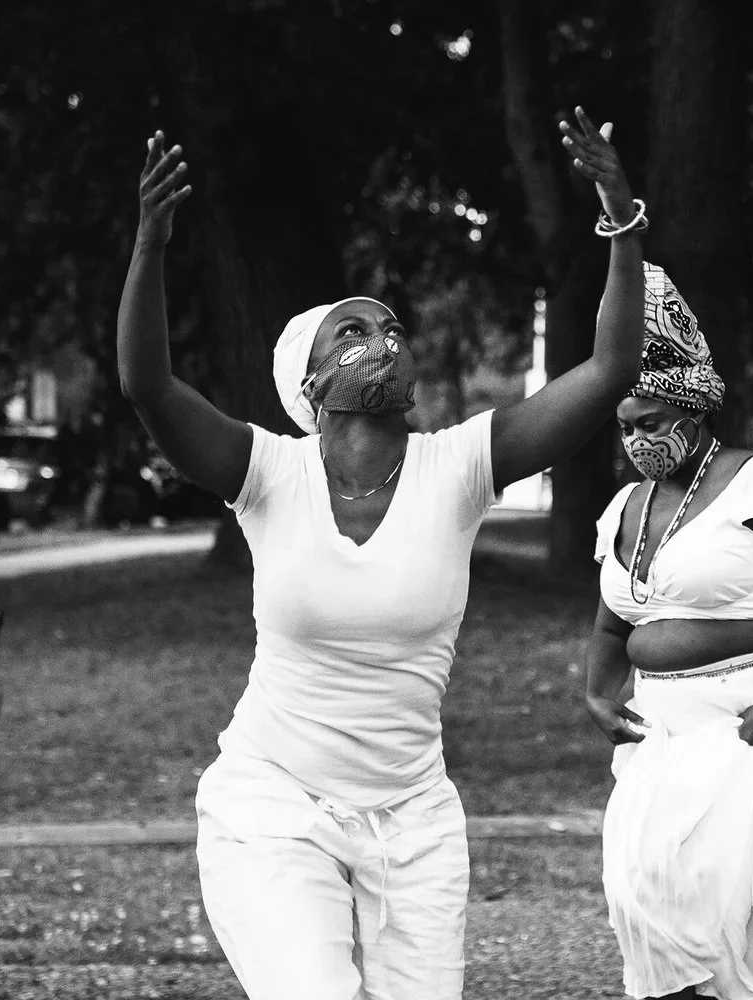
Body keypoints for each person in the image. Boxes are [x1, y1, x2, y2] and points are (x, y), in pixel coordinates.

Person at [117, 107, 646, 1000]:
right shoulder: (267, 472)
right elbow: (148, 386)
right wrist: (151, 246)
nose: (382, 339)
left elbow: (608, 373)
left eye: (390, 326)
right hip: (273, 804)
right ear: (311, 385)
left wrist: (621, 221)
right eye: (352, 332)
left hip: (414, 822)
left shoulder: (459, 468)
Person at [583, 263, 753, 1000]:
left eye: (648, 424)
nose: (635, 441)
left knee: (714, 908)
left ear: (691, 411)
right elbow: (614, 623)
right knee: (637, 897)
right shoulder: (623, 508)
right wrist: (597, 691)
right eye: (624, 428)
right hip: (655, 738)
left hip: (741, 728)